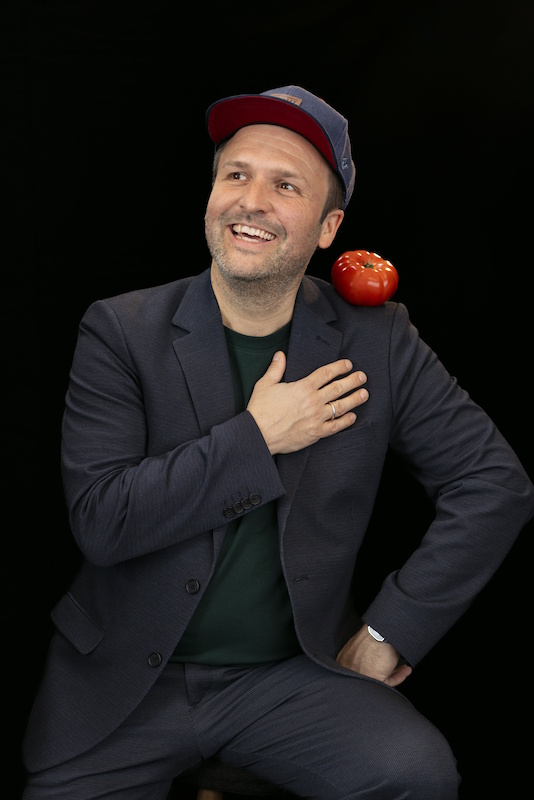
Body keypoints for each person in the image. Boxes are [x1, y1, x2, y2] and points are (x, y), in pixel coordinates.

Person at [22, 85, 533, 800]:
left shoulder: (378, 340)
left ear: (328, 227)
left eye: (285, 185)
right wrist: (258, 437)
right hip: (124, 686)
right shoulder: (120, 330)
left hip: (287, 683)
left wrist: (389, 633)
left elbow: (493, 485)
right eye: (236, 174)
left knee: (416, 775)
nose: (251, 200)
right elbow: (103, 522)